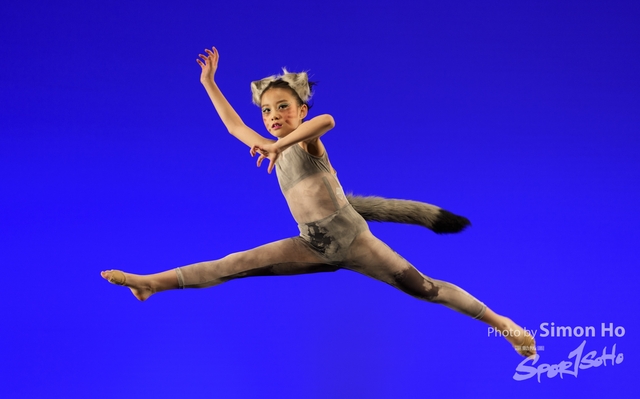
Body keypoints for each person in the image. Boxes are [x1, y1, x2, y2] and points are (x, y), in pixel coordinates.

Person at [101, 47, 535, 358]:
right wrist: (209, 83)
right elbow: (234, 126)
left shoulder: (306, 143)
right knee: (233, 263)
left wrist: (279, 145)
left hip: (355, 241)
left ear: (301, 110)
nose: (274, 116)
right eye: (267, 111)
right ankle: (150, 283)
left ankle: (505, 325)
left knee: (427, 289)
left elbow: (328, 120)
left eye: (283, 107)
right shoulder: (268, 144)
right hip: (311, 244)